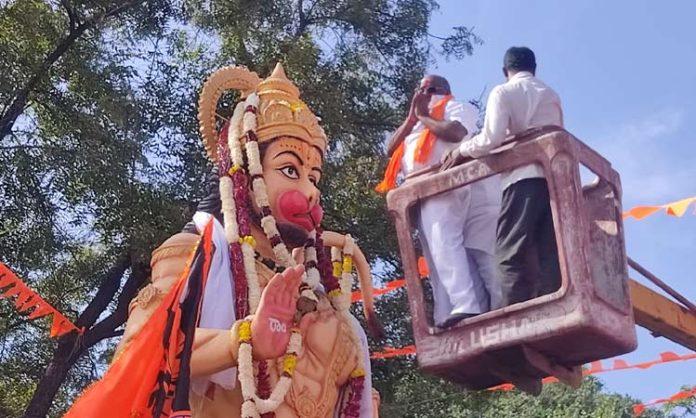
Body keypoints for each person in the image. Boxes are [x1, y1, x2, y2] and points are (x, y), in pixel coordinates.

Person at [66, 64, 379, 418]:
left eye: (314, 177)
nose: (309, 191)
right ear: (246, 173)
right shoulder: (194, 253)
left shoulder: (328, 307)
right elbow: (140, 352)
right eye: (290, 170)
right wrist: (242, 340)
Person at [442, 46, 564, 307]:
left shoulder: (504, 91)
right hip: (553, 180)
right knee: (548, 251)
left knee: (509, 253)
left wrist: (462, 150)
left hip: (522, 178)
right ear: (534, 68)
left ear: (504, 70)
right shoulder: (550, 94)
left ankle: (515, 316)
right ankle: (551, 307)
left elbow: (491, 138)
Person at [376, 75, 501, 328]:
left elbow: (456, 133)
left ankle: (468, 305)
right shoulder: (414, 121)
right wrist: (413, 118)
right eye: (420, 90)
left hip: (444, 184)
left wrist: (424, 117)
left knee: (445, 243)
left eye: (429, 89)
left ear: (442, 90)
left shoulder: (455, 107)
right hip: (419, 192)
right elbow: (390, 148)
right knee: (435, 254)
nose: (424, 93)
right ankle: (447, 312)